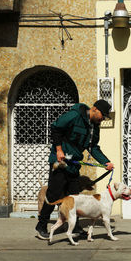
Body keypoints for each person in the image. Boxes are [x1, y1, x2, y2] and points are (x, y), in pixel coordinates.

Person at [35, 99, 114, 240]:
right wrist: (59, 150)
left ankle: (75, 227)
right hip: (60, 161)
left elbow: (93, 147)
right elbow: (56, 128)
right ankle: (41, 226)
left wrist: (105, 162)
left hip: (73, 164)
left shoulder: (94, 127)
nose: (103, 119)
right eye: (103, 115)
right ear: (95, 109)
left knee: (74, 197)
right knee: (54, 194)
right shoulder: (74, 115)